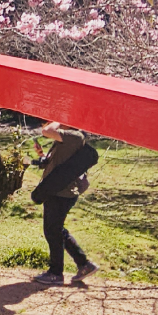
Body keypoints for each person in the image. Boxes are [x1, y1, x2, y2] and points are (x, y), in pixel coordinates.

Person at [31, 122, 99, 285]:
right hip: (57, 189)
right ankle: (84, 264)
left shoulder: (74, 136)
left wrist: (59, 119)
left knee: (52, 230)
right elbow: (56, 163)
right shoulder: (66, 138)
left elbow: (47, 131)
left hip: (61, 192)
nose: (46, 122)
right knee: (56, 229)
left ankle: (56, 273)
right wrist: (42, 157)